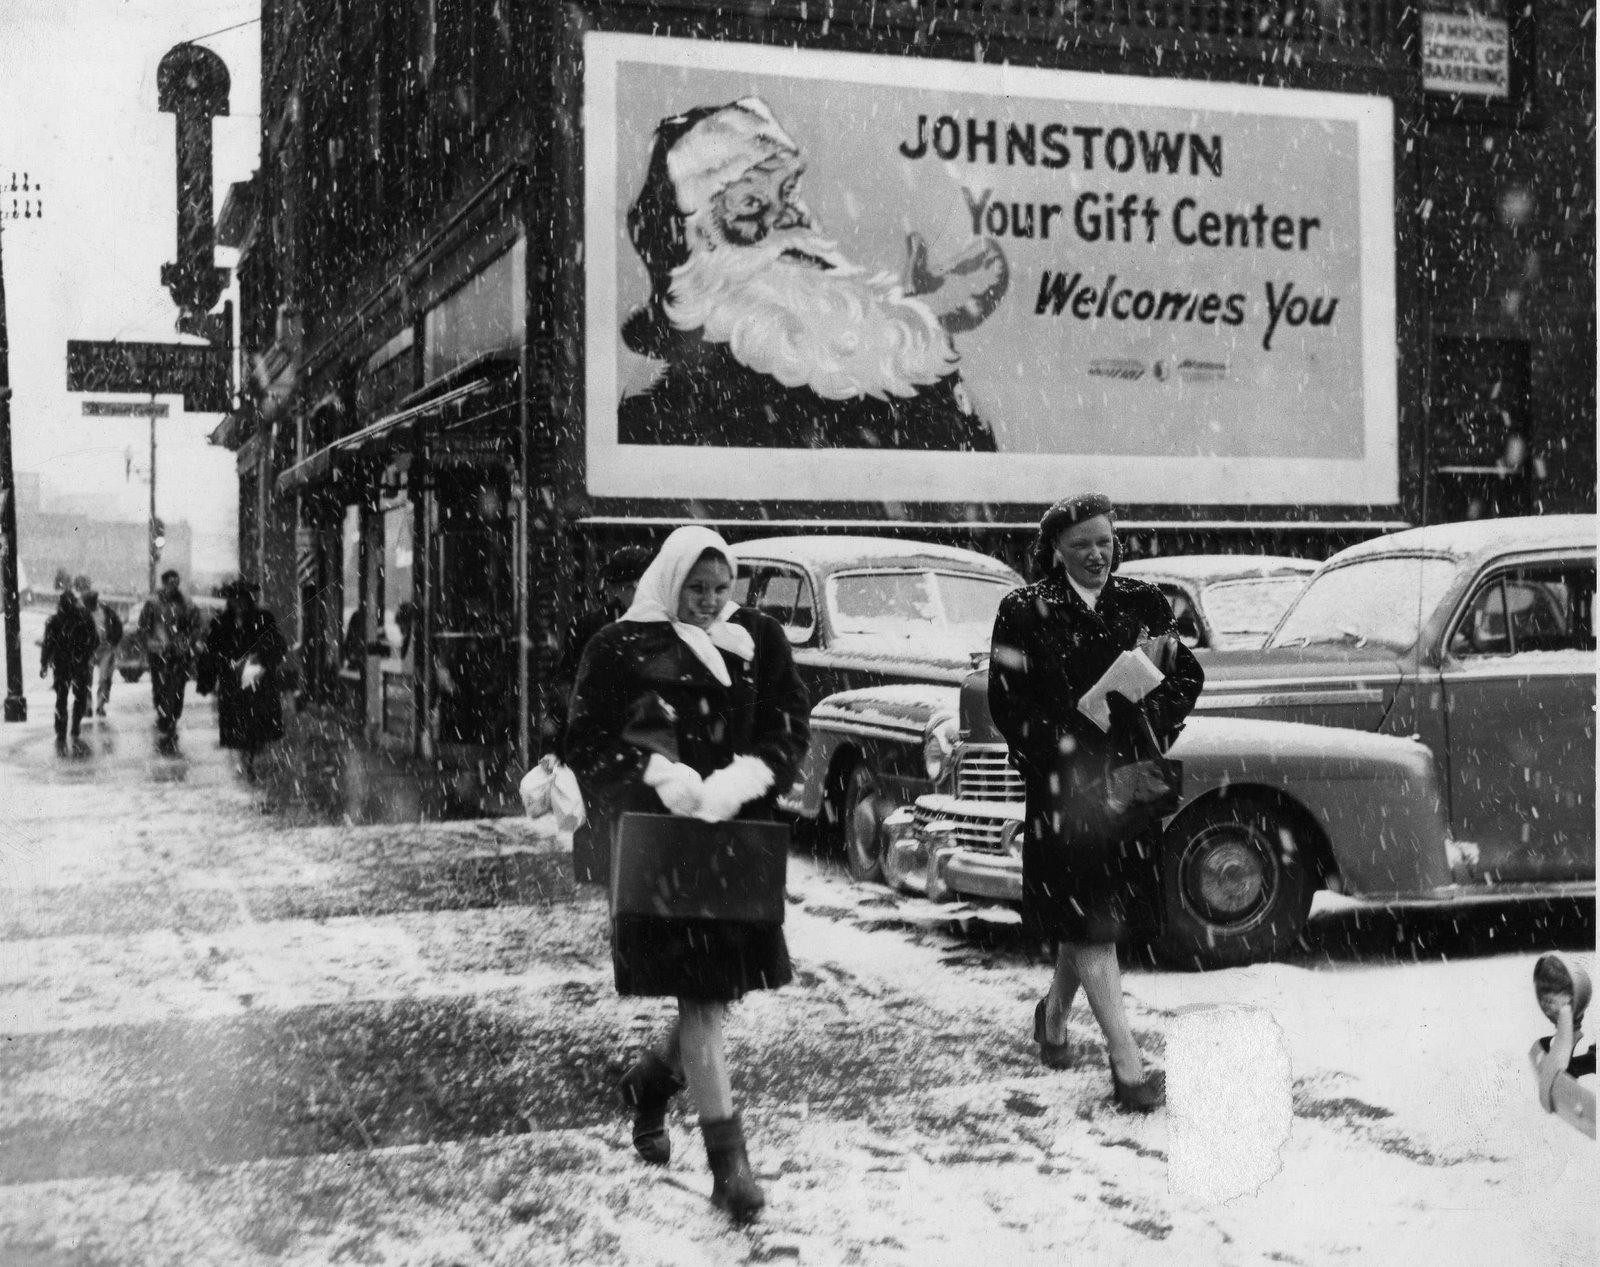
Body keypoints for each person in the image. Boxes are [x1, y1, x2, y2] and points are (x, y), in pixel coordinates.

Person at [565, 525, 810, 1222]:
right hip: (661, 845)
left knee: (718, 991)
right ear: (669, 580)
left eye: (719, 588)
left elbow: (790, 725)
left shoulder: (758, 638)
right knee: (702, 997)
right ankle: (729, 1165)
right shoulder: (618, 645)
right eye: (694, 588)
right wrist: (658, 775)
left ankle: (649, 1081)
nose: (707, 601)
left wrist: (744, 777)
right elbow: (586, 739)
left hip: (737, 837)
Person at [617, 97, 1007, 451]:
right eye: (751, 203)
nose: (788, 216)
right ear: (700, 241)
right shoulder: (672, 412)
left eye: (787, 191)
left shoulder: (902, 354)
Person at [988, 493, 1205, 1112]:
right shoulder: (1022, 612)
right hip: (1063, 788)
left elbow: (1185, 675)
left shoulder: (1143, 602)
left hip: (1129, 779)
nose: (1096, 554)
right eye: (1080, 543)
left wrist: (1147, 718)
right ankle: (1127, 1064)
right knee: (1088, 915)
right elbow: (1009, 702)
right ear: (1055, 549)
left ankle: (1054, 1015)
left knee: (1094, 916)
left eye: (1104, 541)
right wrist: (1071, 738)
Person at [197, 579, 288, 779]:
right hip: (232, 684)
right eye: (234, 600)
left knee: (257, 727)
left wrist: (259, 658)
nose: (238, 604)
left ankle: (252, 760)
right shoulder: (221, 623)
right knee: (238, 729)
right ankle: (244, 762)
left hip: (258, 683)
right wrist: (212, 674)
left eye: (242, 600)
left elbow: (277, 645)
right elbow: (211, 651)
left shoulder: (263, 619)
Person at [137, 569, 204, 748]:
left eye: (176, 582)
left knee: (177, 686)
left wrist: (188, 641)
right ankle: (164, 714)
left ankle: (172, 716)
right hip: (158, 652)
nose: (174, 586)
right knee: (160, 686)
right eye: (171, 582)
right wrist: (149, 643)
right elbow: (143, 625)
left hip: (179, 652)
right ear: (164, 583)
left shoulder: (186, 604)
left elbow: (197, 625)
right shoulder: (153, 603)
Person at [40, 589, 97, 752]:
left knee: (61, 698)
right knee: (79, 697)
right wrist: (85, 653)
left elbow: (47, 644)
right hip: (79, 664)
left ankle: (61, 730)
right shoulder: (85, 618)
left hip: (62, 665)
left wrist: (44, 664)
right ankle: (75, 726)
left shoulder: (54, 621)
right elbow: (95, 640)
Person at [81, 590, 124, 717]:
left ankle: (100, 705)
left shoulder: (106, 612)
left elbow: (118, 627)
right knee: (86, 680)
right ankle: (88, 706)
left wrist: (113, 641)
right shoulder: (83, 614)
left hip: (105, 649)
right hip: (88, 650)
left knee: (104, 679)